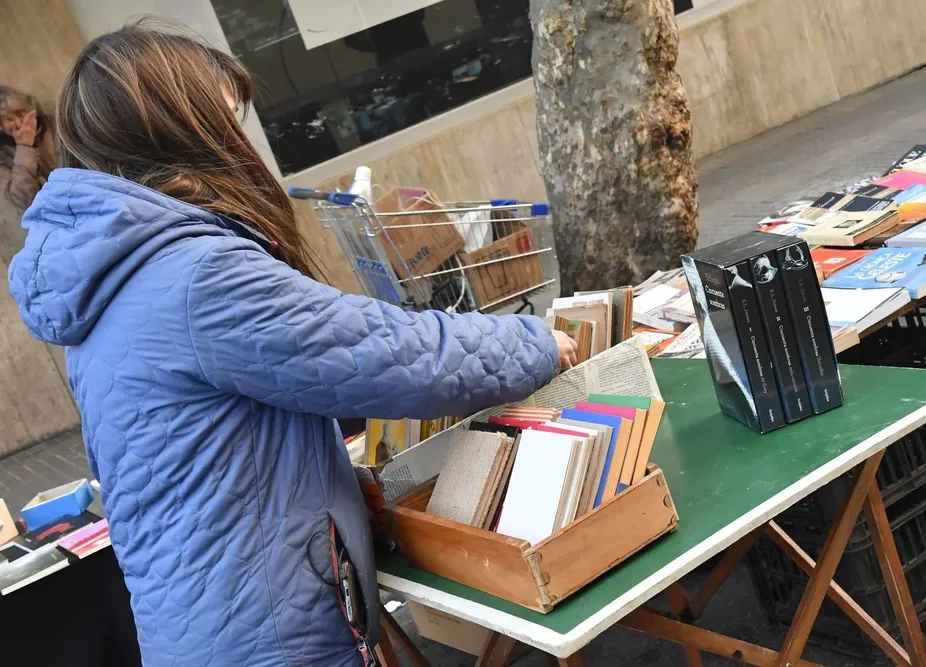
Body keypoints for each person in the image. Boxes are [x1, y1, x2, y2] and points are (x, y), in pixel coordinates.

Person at [8, 23, 577, 667]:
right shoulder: (194, 274)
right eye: (223, 116)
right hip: (265, 632)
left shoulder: (105, 275)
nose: (238, 138)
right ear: (177, 128)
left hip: (200, 620)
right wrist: (536, 343)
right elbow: (386, 353)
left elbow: (229, 420)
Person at [0, 86, 57, 214]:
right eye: (8, 119)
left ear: (32, 110)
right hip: (48, 219)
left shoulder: (56, 127)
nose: (18, 123)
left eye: (21, 113)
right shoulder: (3, 156)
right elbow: (23, 200)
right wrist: (25, 147)